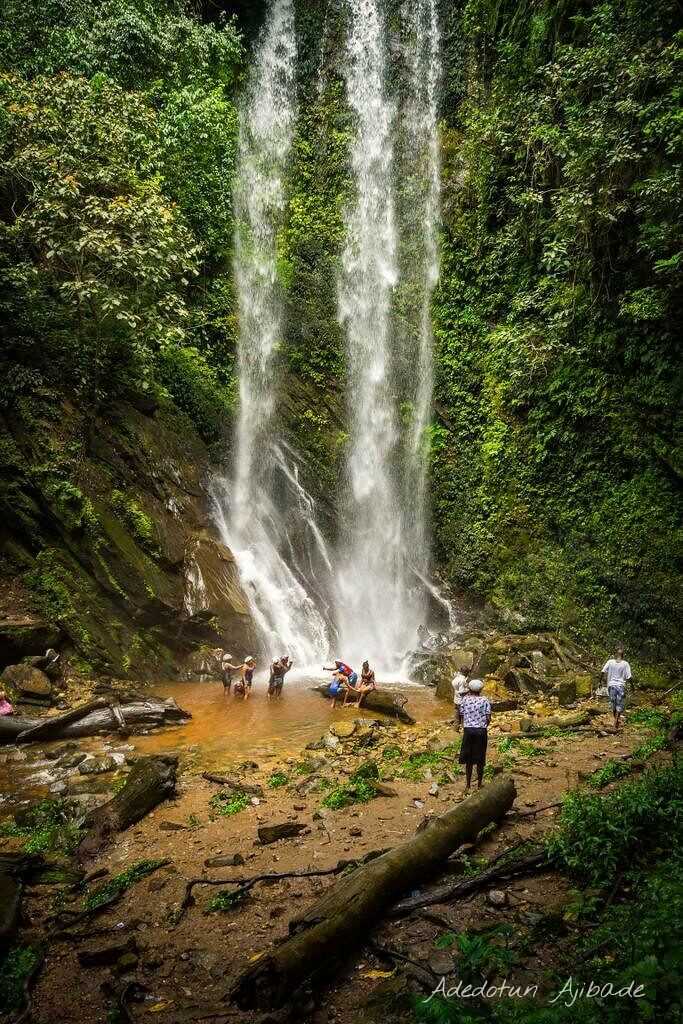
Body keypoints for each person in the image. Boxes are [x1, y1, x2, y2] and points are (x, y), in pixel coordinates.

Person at [457, 679, 491, 790]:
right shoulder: (485, 700)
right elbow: (488, 717)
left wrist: (465, 725)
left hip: (468, 731)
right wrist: (484, 724)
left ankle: (467, 785)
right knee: (480, 758)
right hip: (481, 731)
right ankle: (479, 784)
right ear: (480, 689)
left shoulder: (465, 700)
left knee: (469, 759)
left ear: (470, 689)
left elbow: (461, 714)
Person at [601, 647, 632, 730]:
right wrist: (632, 686)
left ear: (615, 654)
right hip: (620, 686)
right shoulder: (625, 664)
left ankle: (615, 721)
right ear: (623, 655)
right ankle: (616, 721)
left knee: (613, 703)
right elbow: (629, 677)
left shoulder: (610, 662)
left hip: (611, 685)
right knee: (619, 704)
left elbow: (603, 671)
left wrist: (600, 682)